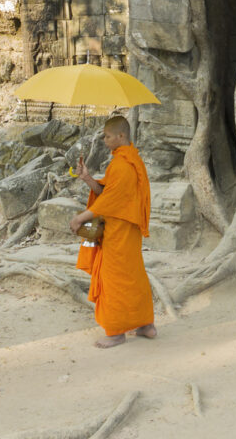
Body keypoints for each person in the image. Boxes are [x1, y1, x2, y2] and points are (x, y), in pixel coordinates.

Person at [70, 115, 155, 348]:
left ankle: (116, 331)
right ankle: (145, 325)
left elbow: (109, 202)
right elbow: (106, 192)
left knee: (114, 279)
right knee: (134, 276)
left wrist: (81, 218)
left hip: (119, 232)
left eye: (108, 136)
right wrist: (87, 177)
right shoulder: (130, 161)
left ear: (121, 136)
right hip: (127, 230)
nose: (105, 140)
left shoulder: (123, 164)